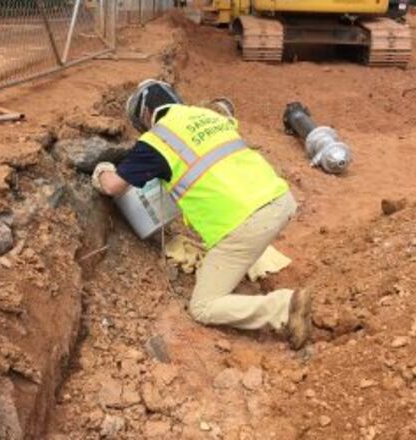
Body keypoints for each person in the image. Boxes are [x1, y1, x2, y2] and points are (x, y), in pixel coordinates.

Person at [91, 79, 312, 349]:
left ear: (146, 115)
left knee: (203, 306)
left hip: (248, 222)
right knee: (232, 250)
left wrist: (101, 170)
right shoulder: (208, 115)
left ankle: (281, 308)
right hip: (280, 200)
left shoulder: (156, 140)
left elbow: (114, 187)